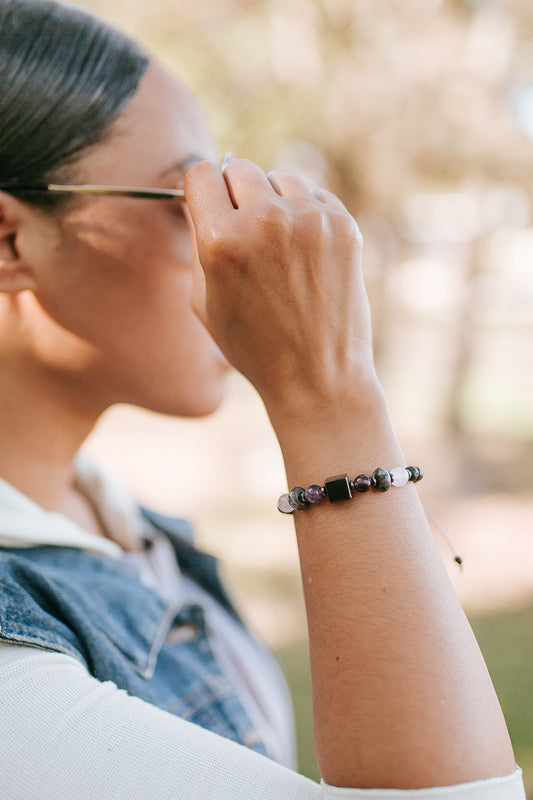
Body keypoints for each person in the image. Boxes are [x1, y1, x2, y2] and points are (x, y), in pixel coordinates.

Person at [0, 1, 525, 798]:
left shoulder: (124, 527)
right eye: (188, 202)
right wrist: (326, 393)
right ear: (10, 244)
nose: (235, 245)